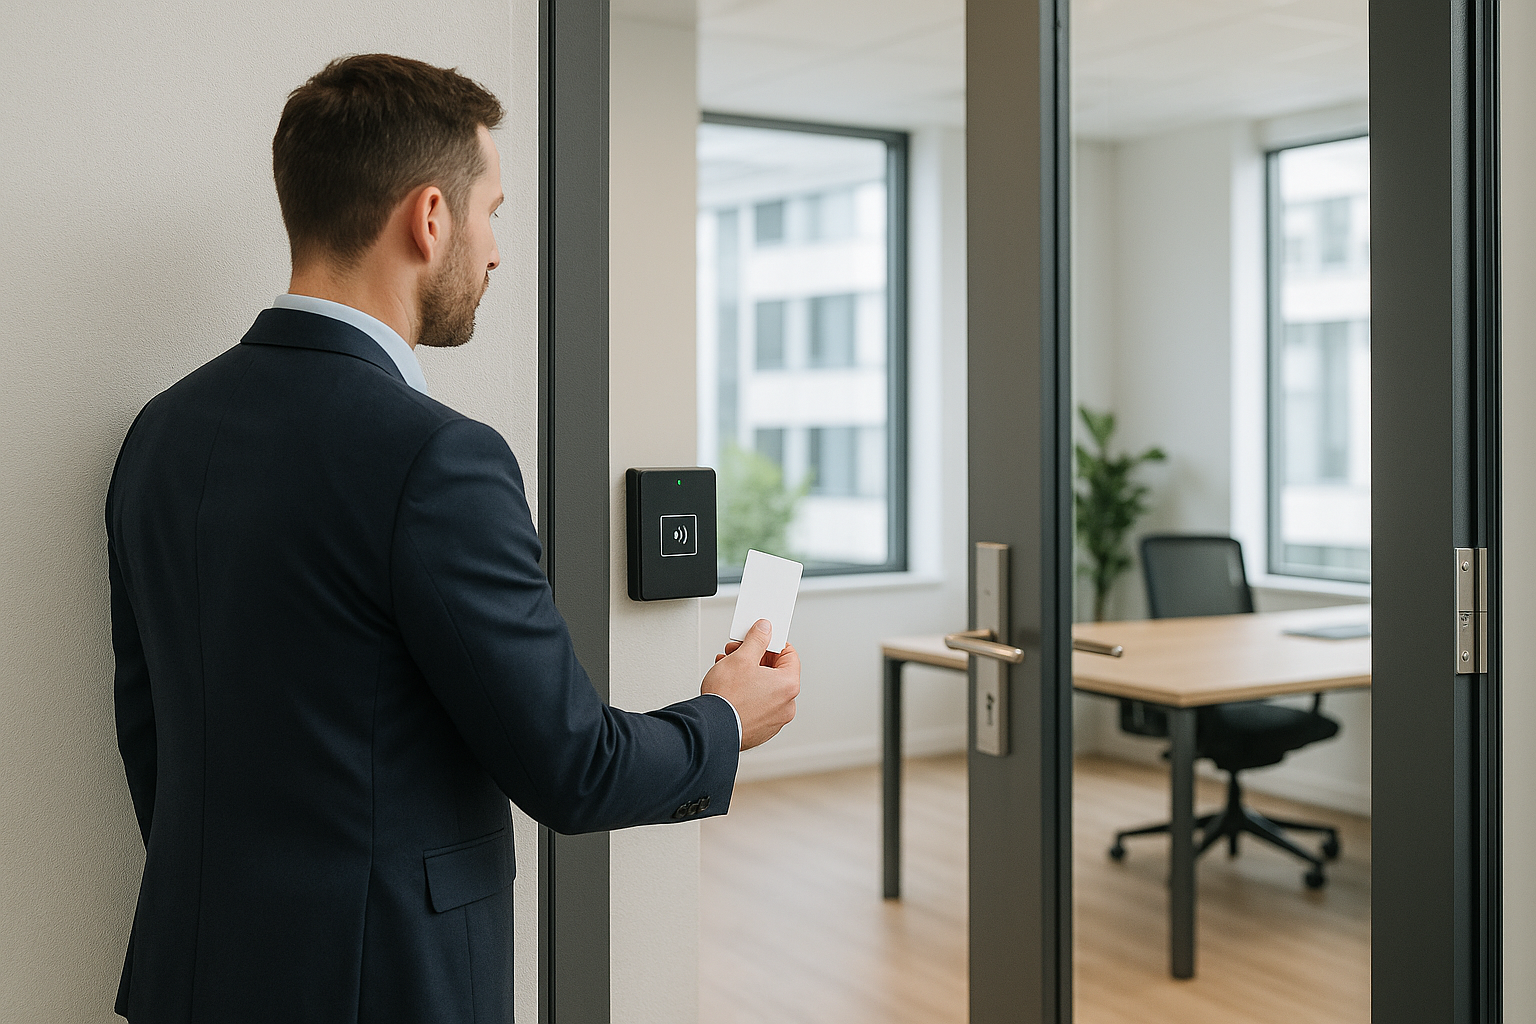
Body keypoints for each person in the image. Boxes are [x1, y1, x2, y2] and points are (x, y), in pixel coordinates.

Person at [105, 53, 799, 1024]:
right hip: (384, 990)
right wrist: (725, 719)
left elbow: (150, 737)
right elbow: (574, 768)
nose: (497, 251)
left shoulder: (160, 433)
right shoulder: (438, 459)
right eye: (492, 213)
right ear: (430, 218)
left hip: (189, 977)